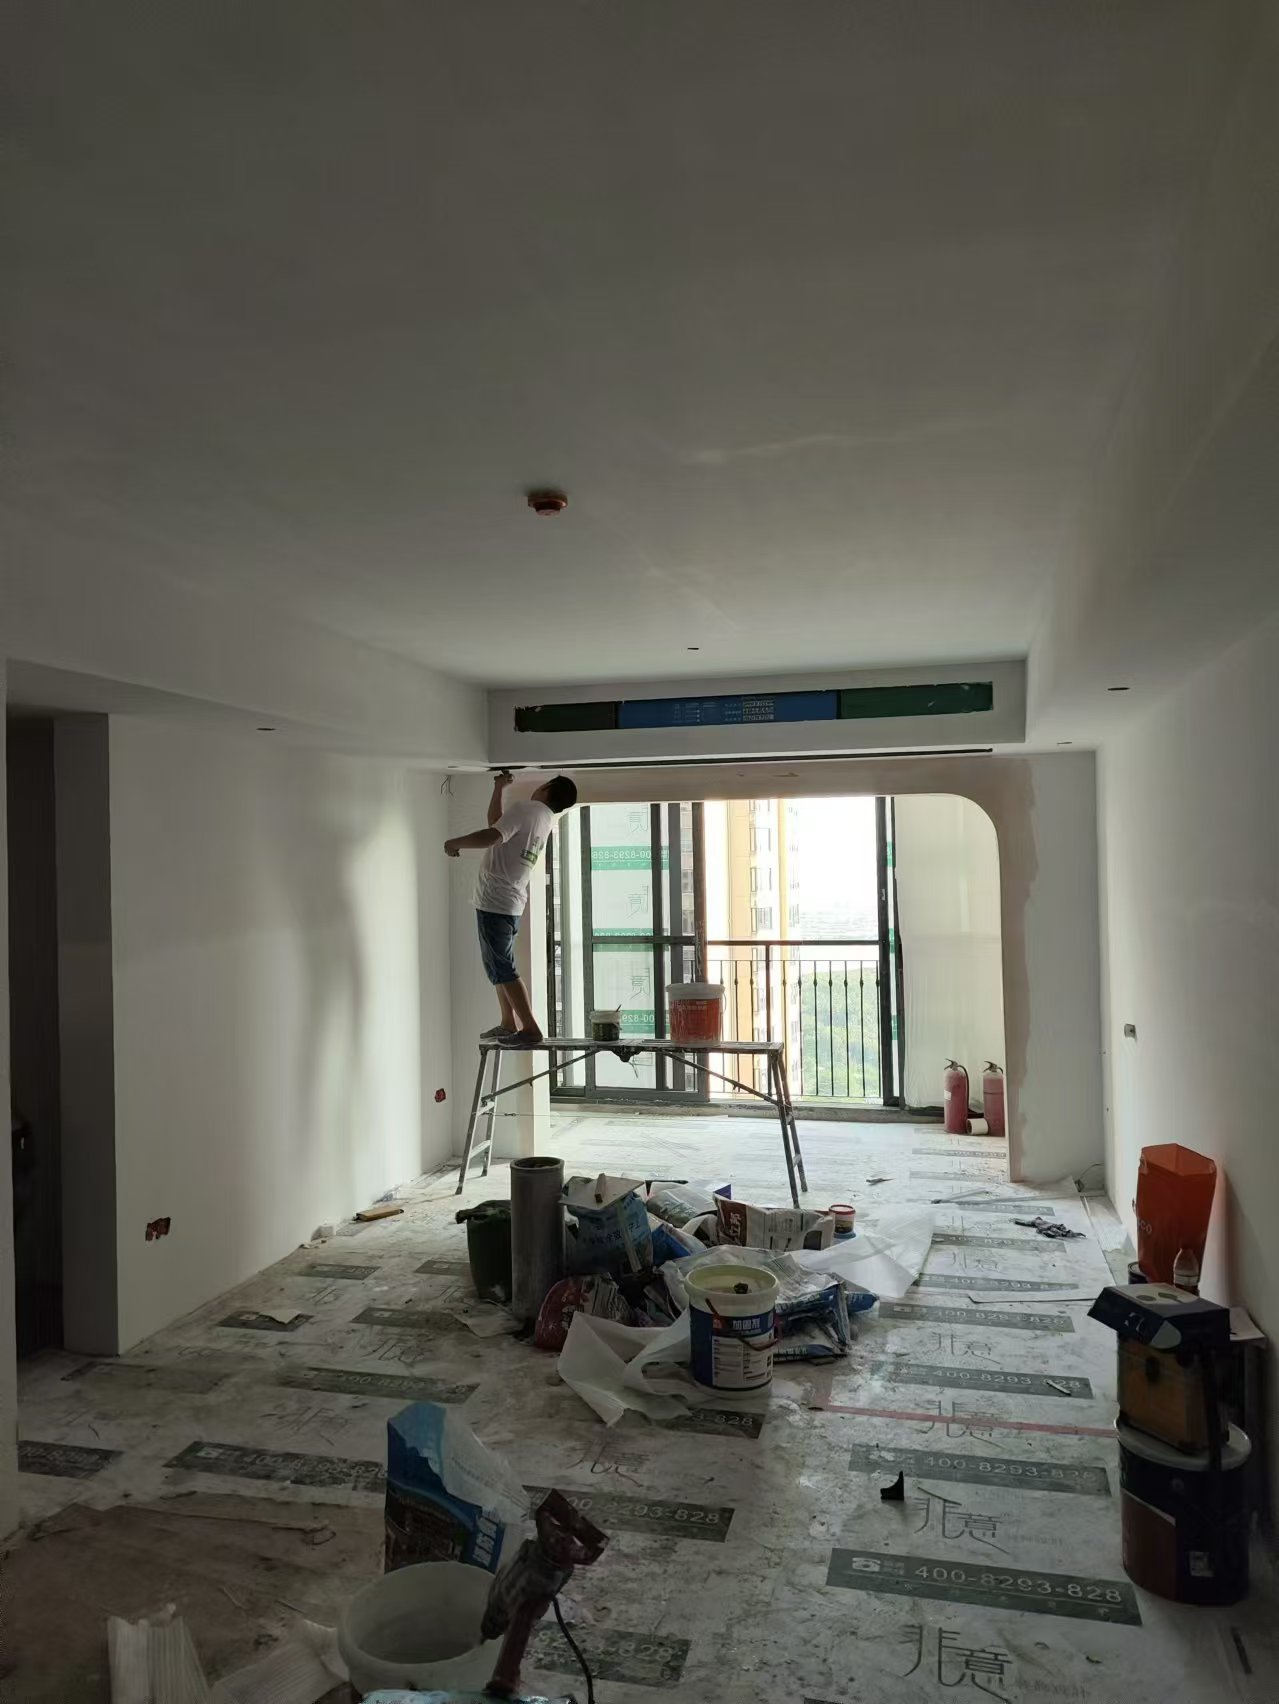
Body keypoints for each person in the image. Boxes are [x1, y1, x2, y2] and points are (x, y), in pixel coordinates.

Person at [445, 770, 577, 1047]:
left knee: (503, 967)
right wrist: (499, 788)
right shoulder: (542, 818)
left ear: (548, 788)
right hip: (507, 902)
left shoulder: (527, 809)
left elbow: (491, 836)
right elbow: (497, 826)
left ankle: (529, 1028)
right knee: (496, 966)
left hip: (496, 901)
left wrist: (455, 842)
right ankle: (508, 1022)